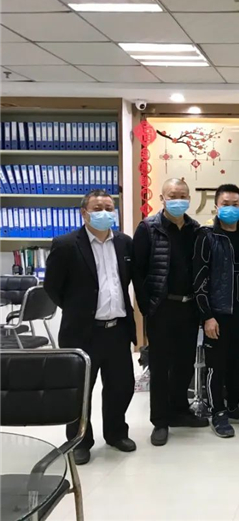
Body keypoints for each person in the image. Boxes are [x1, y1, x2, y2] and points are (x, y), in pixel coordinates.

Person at [44, 189, 137, 465]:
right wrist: (78, 310)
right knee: (80, 390)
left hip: (117, 329)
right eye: (98, 208)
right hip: (82, 331)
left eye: (109, 208)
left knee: (121, 386)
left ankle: (116, 433)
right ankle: (80, 440)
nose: (104, 213)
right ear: (84, 213)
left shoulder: (124, 243)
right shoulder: (65, 244)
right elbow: (52, 287)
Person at [133, 178, 207, 447]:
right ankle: (160, 421)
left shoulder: (195, 229)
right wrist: (147, 307)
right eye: (173, 195)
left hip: (189, 307)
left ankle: (179, 410)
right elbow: (137, 271)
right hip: (161, 308)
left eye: (183, 195)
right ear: (162, 198)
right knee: (161, 366)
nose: (178, 200)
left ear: (189, 199)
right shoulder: (148, 228)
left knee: (184, 363)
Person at [193, 184, 239, 438]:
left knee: (238, 363)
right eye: (225, 204)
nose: (230, 209)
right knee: (216, 366)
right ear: (216, 207)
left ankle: (233, 406)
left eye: (235, 204)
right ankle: (217, 411)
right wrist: (207, 316)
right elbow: (199, 279)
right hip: (218, 313)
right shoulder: (207, 236)